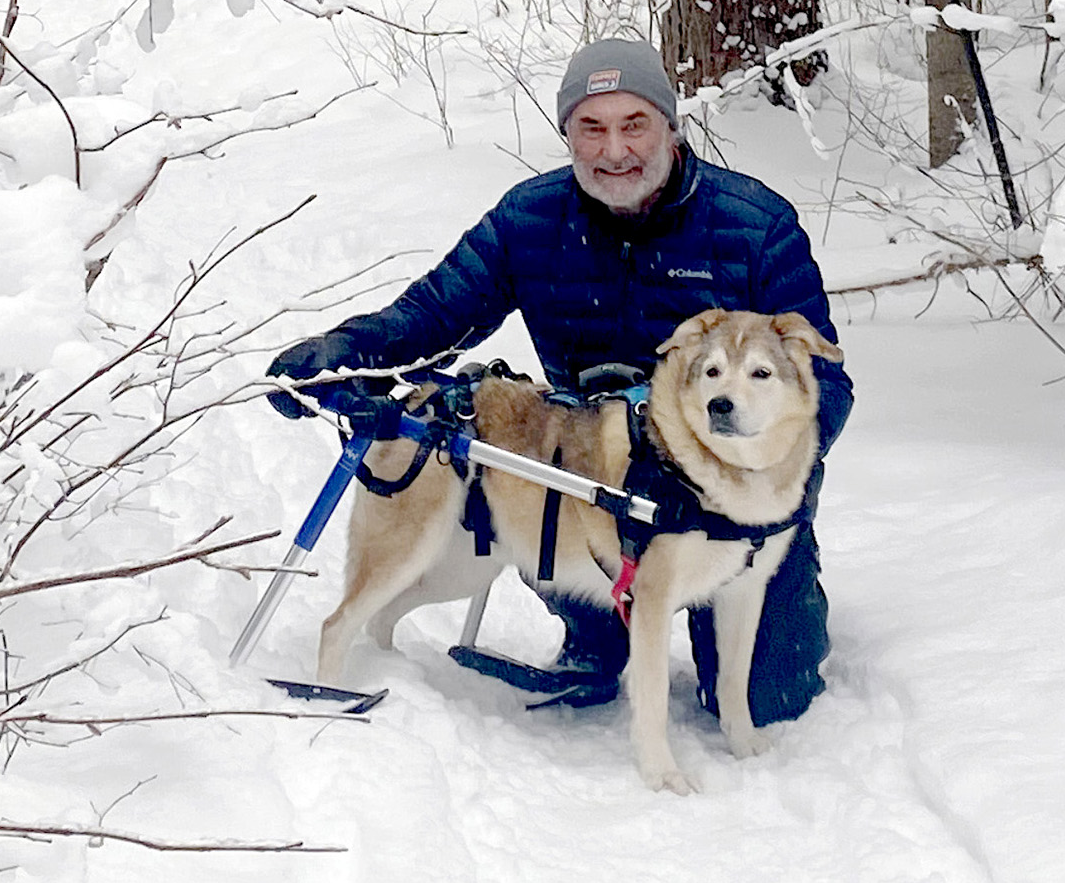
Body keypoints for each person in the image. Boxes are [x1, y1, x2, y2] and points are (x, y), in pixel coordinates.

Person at [265, 38, 852, 724]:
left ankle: (764, 619)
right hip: (586, 480)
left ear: (671, 124)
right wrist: (344, 352)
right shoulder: (533, 219)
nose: (614, 151)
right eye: (591, 128)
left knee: (768, 700)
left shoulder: (754, 227)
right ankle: (595, 633)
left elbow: (822, 391)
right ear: (567, 134)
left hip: (727, 499)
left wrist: (733, 485)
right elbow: (436, 311)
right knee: (542, 488)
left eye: (634, 124)